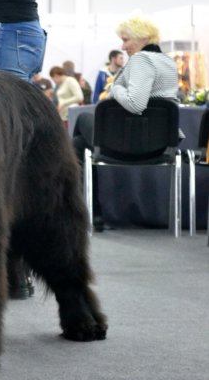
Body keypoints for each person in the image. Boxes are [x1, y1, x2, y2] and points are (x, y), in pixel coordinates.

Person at [72, 15, 179, 230]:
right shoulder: (168, 63)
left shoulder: (141, 60)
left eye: (126, 39)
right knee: (76, 145)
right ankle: (93, 213)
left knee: (81, 124)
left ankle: (91, 214)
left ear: (143, 38)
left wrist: (115, 88)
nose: (123, 46)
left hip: (130, 143)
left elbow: (135, 104)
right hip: (161, 145)